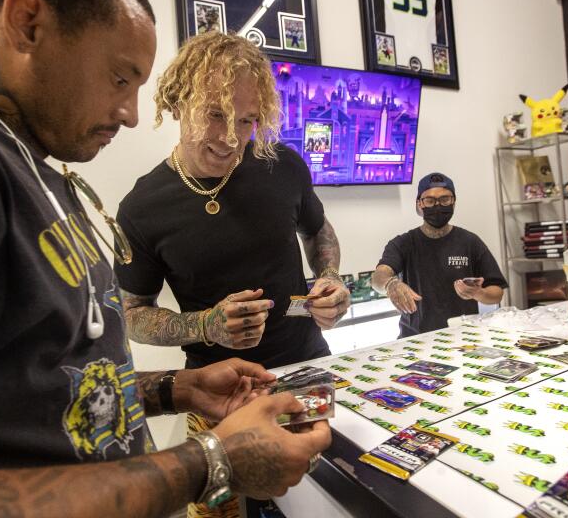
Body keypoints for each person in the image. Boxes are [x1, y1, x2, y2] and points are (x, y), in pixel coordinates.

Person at [0, 0, 330, 517]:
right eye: (119, 78)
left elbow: (46, 388)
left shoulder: (45, 177)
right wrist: (213, 460)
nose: (132, 114)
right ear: (26, 23)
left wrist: (177, 388)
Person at [115, 31, 349, 516]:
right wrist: (205, 325)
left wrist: (329, 277)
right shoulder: (142, 207)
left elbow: (318, 230)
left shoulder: (282, 165)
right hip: (216, 392)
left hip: (305, 367)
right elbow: (133, 313)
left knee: (332, 501)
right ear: (178, 103)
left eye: (246, 120)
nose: (229, 139)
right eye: (215, 114)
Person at [371, 172, 507, 337]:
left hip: (464, 336)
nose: (437, 205)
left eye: (444, 199)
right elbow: (378, 277)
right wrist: (391, 284)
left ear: (453, 202)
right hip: (416, 339)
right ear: (419, 205)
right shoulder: (403, 243)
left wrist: (479, 293)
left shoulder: (470, 242)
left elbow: (497, 292)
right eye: (429, 200)